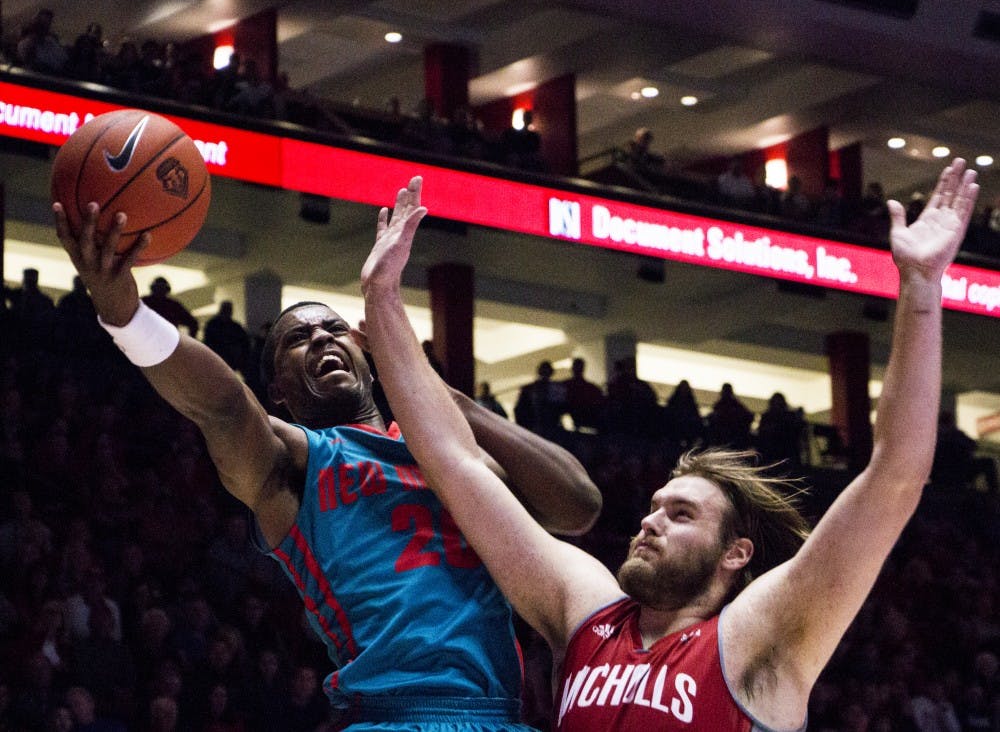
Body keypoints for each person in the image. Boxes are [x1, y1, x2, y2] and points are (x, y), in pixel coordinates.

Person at [360, 160, 978, 731]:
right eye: (656, 507)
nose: (650, 522)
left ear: (735, 553)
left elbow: (895, 476)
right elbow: (457, 463)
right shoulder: (585, 609)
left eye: (681, 514)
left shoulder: (761, 635)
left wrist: (921, 288)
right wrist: (383, 300)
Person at [51, 191, 601, 730]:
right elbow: (221, 405)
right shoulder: (294, 463)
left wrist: (436, 391)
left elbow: (578, 505)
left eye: (335, 329)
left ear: (368, 354)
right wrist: (125, 316)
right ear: (280, 391)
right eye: (299, 338)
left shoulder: (456, 458)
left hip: (498, 717)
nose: (320, 337)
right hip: (391, 715)